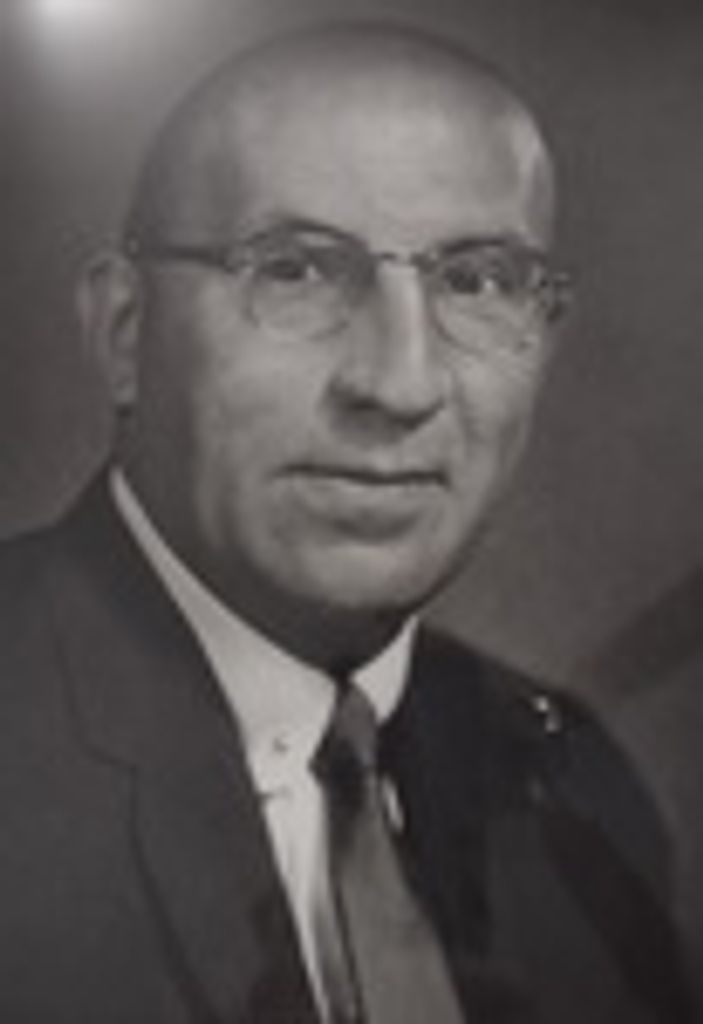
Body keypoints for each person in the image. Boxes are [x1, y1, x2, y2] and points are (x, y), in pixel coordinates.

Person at [0, 21, 692, 1024]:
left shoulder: (578, 797)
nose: (399, 384)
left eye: (478, 281)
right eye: (295, 270)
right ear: (125, 332)